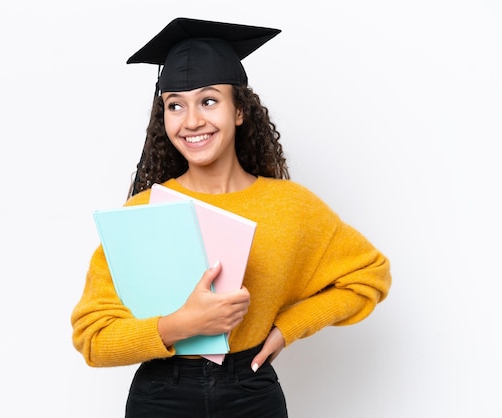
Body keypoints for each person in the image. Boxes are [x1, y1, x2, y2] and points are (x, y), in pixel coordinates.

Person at [71, 17, 392, 418]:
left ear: (239, 110)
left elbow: (369, 276)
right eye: (175, 105)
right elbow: (92, 337)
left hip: (251, 393)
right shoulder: (143, 213)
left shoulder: (291, 207)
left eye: (208, 100)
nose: (191, 121)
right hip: (161, 395)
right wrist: (180, 324)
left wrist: (288, 329)